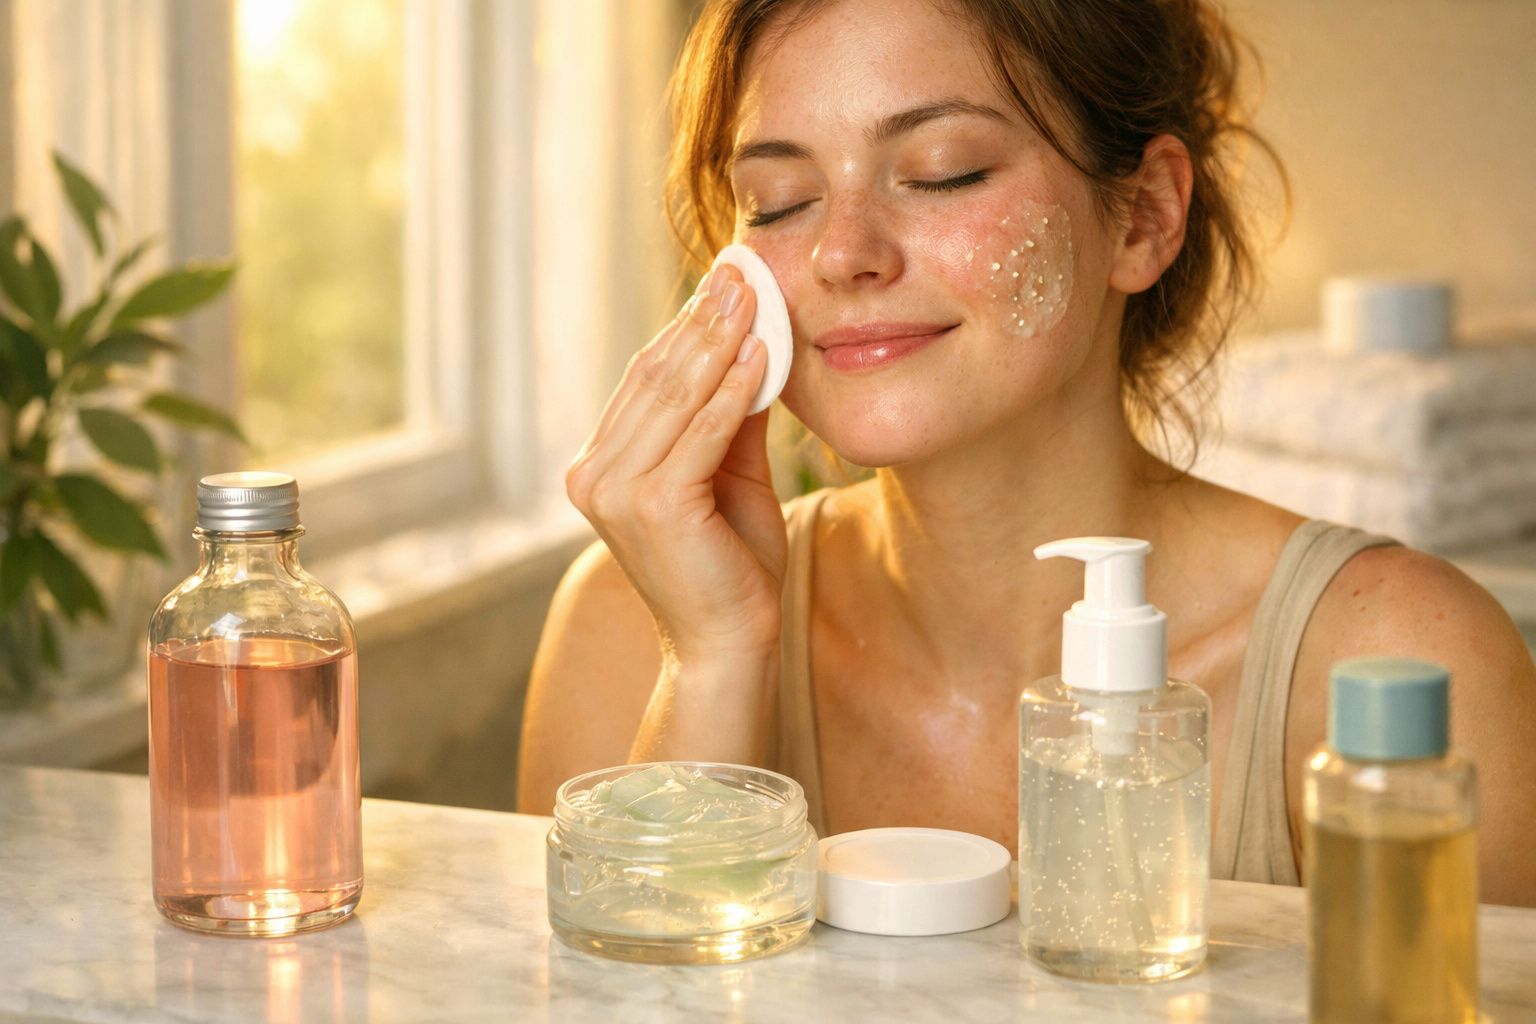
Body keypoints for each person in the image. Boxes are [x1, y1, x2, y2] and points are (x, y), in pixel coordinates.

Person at [516, 0, 1536, 907]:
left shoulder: (1396, 669)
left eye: (941, 173)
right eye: (781, 199)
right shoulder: (628, 634)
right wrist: (715, 665)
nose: (843, 253)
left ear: (1144, 217)